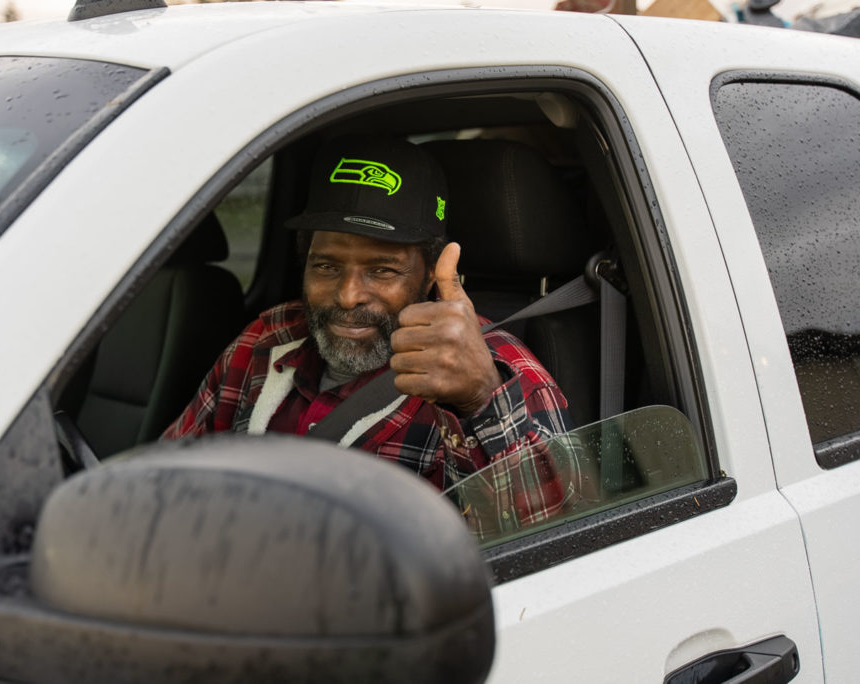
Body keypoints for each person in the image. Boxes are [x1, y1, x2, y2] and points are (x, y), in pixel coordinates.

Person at [163, 136, 579, 537]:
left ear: (431, 272)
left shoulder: (497, 368)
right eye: (326, 266)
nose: (348, 296)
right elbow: (170, 476)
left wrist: (479, 399)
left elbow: (556, 545)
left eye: (382, 270)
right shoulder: (270, 336)